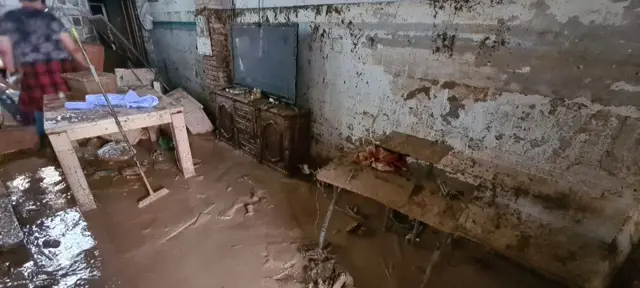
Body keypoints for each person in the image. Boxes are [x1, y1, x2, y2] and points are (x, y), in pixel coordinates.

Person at [0, 0, 88, 149]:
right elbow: (73, 49)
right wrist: (88, 67)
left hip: (34, 70)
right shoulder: (50, 18)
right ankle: (73, 139)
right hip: (60, 67)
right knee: (64, 100)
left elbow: (5, 50)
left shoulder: (10, 18)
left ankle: (49, 143)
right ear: (41, 3)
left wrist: (11, 71)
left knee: (42, 106)